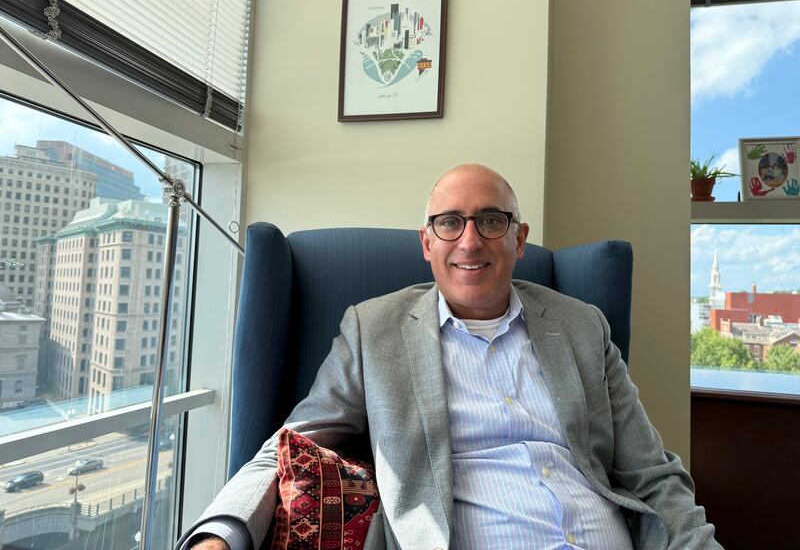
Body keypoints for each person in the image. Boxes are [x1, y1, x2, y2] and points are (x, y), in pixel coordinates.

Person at [180, 164, 721, 549]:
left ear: (519, 239)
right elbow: (286, 449)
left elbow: (653, 474)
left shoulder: (582, 324)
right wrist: (218, 536)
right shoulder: (375, 330)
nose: (470, 241)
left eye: (491, 221)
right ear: (427, 243)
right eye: (449, 223)